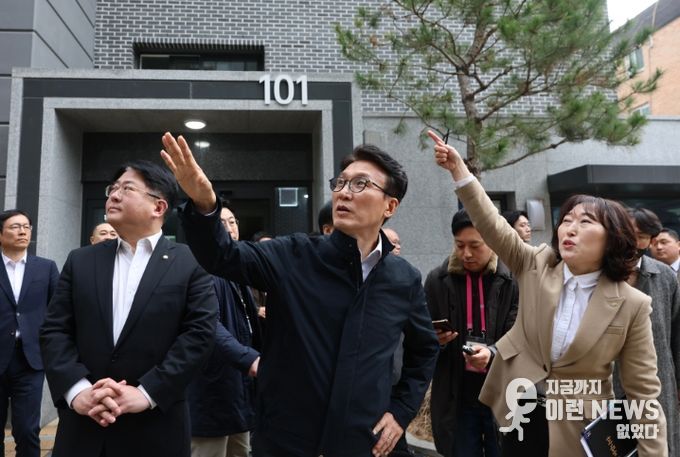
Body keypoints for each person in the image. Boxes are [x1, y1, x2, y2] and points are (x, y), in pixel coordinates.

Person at [161, 132, 439, 457]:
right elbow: (223, 256)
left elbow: (425, 349)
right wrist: (205, 205)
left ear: (390, 205)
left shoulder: (402, 278)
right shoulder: (294, 255)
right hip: (286, 441)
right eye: (340, 183)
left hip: (364, 442)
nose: (344, 192)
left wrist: (401, 410)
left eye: (360, 184)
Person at [429, 130, 667, 457]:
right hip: (522, 414)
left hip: (582, 430)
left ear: (612, 238)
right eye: (566, 219)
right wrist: (460, 171)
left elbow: (644, 393)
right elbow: (492, 225)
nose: (570, 228)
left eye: (585, 222)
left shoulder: (632, 304)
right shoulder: (536, 264)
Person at [39, 160, 218, 457]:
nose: (114, 195)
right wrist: (77, 391)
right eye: (113, 188)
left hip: (155, 426)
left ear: (158, 207)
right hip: (85, 425)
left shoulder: (190, 262)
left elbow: (199, 335)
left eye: (127, 188)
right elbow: (55, 330)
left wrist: (147, 393)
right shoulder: (81, 260)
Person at [426, 209, 518, 457]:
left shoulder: (513, 279)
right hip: (458, 393)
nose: (466, 253)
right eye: (460, 245)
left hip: (504, 392)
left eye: (475, 246)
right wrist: (436, 340)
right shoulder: (437, 280)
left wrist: (493, 353)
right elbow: (421, 337)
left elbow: (521, 333)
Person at [188, 205, 262, 457]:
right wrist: (249, 359)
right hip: (211, 392)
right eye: (222, 223)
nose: (230, 228)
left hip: (239, 393)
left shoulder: (237, 269)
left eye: (233, 222)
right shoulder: (201, 267)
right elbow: (207, 324)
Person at [616, 208, 679, 456]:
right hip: (611, 382)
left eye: (640, 236)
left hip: (659, 381)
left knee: (659, 444)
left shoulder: (665, 276)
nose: (632, 241)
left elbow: (676, 336)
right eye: (627, 233)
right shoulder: (600, 272)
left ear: (651, 240)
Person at [0, 209, 59, 457]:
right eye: (15, 227)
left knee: (27, 430)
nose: (23, 231)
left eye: (26, 227)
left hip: (30, 360)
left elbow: (57, 311)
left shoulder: (45, 268)